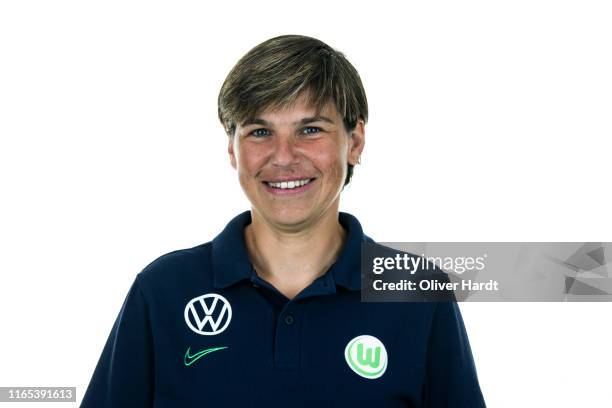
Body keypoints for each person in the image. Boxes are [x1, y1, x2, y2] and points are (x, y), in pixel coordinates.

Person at [81, 34, 486, 407]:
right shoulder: (164, 289)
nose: (284, 156)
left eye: (310, 129)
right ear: (232, 150)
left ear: (355, 141)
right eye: (260, 132)